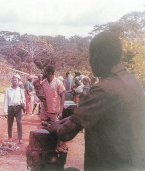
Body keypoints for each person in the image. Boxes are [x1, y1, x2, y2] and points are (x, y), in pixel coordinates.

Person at [43, 31, 145, 171]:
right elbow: (108, 116)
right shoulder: (132, 82)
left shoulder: (102, 90)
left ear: (95, 58)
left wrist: (55, 127)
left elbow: (65, 134)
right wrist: (70, 119)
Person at [3, 75, 25, 144]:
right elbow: (5, 101)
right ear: (11, 81)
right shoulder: (8, 90)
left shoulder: (20, 90)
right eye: (13, 80)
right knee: (10, 123)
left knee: (19, 123)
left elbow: (23, 99)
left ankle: (20, 138)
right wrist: (5, 111)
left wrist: (23, 105)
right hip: (10, 108)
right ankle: (10, 137)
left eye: (16, 80)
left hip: (18, 108)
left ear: (18, 82)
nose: (15, 82)